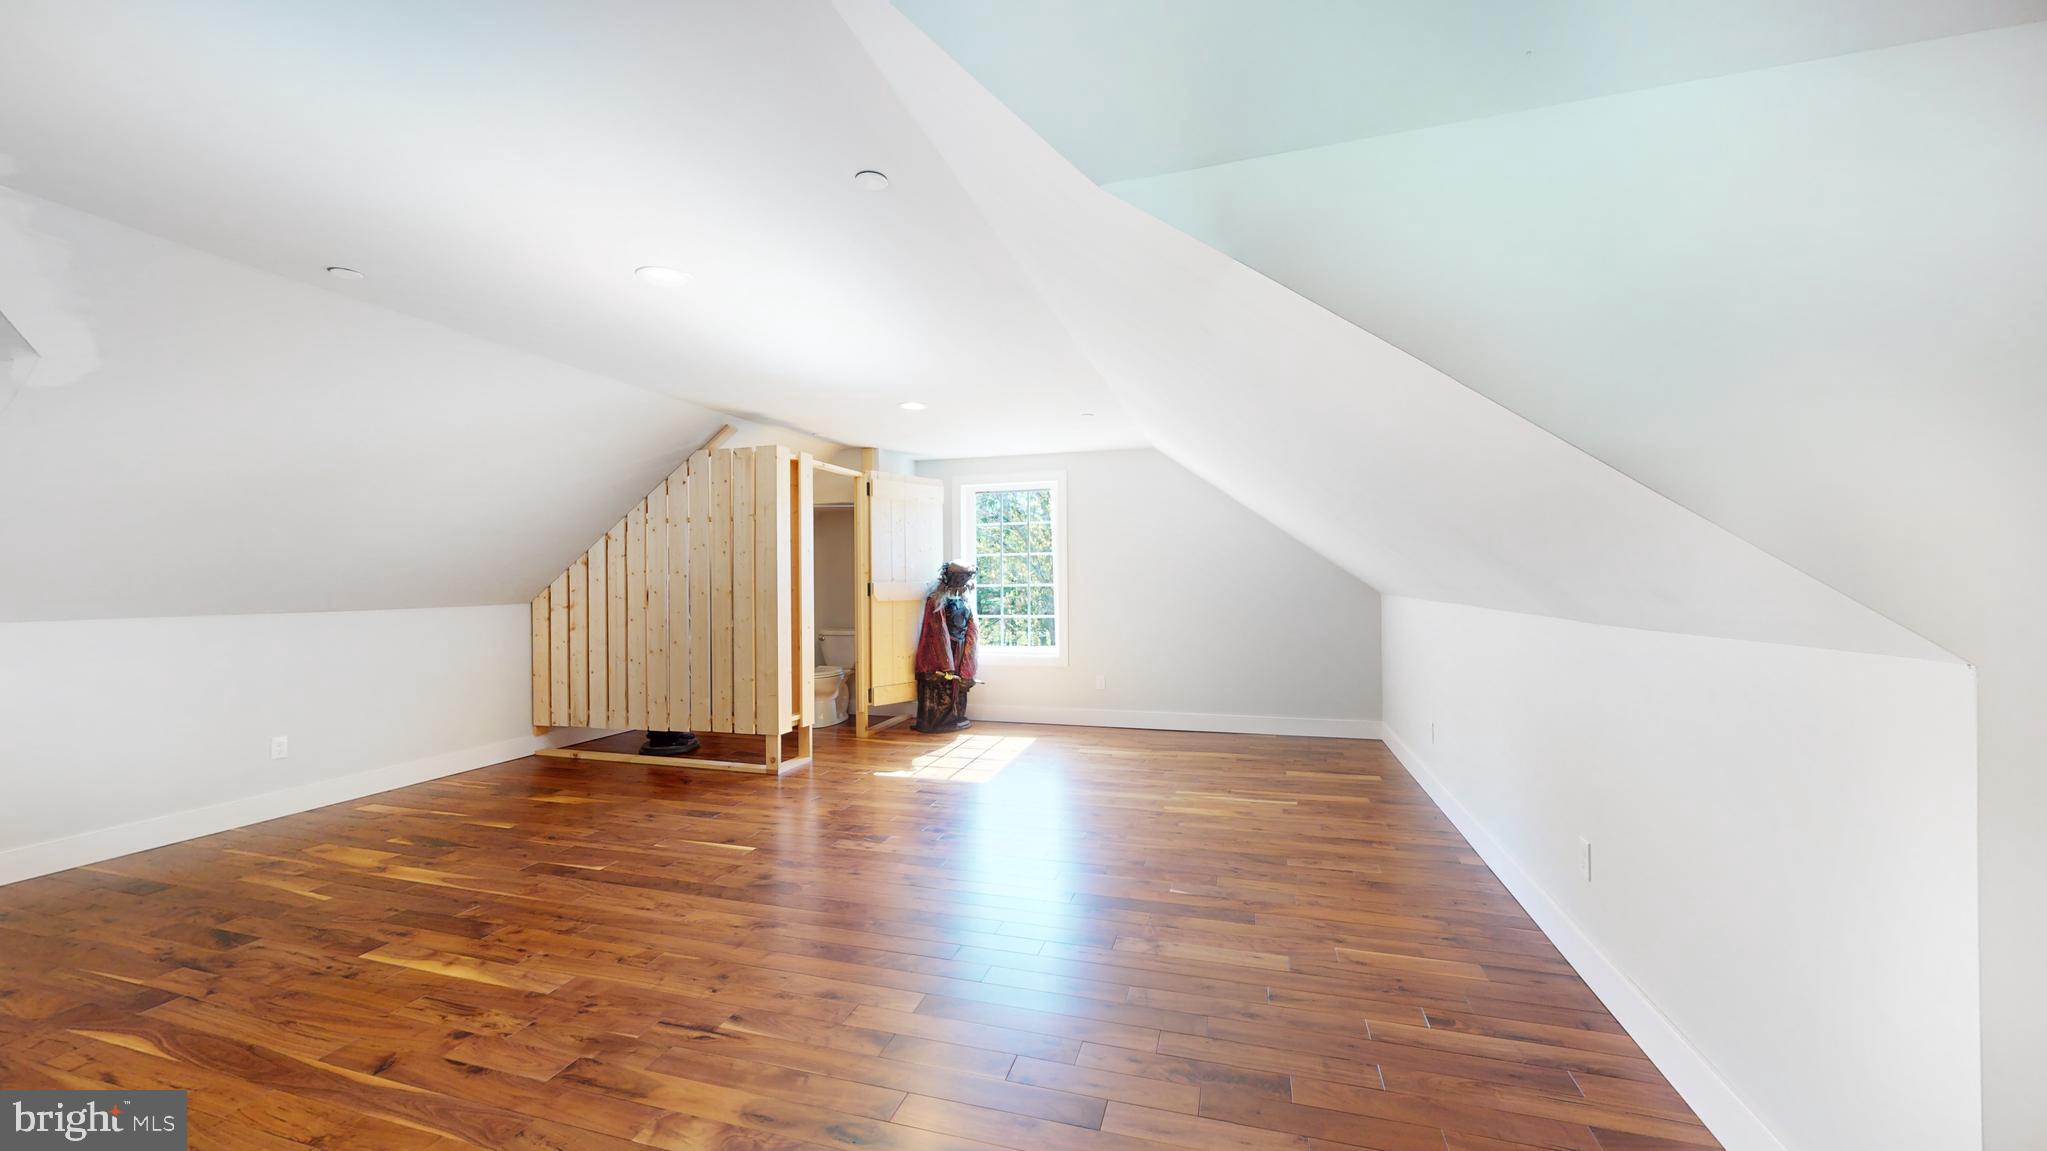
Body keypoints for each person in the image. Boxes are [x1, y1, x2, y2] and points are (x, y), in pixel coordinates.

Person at [913, 561, 978, 733]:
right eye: (959, 577)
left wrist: (968, 658)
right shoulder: (936, 599)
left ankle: (955, 716)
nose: (962, 581)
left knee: (958, 684)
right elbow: (936, 630)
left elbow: (970, 625)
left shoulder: (964, 598)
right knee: (942, 683)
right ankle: (936, 720)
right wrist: (945, 662)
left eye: (965, 577)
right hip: (940, 649)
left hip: (960, 647)